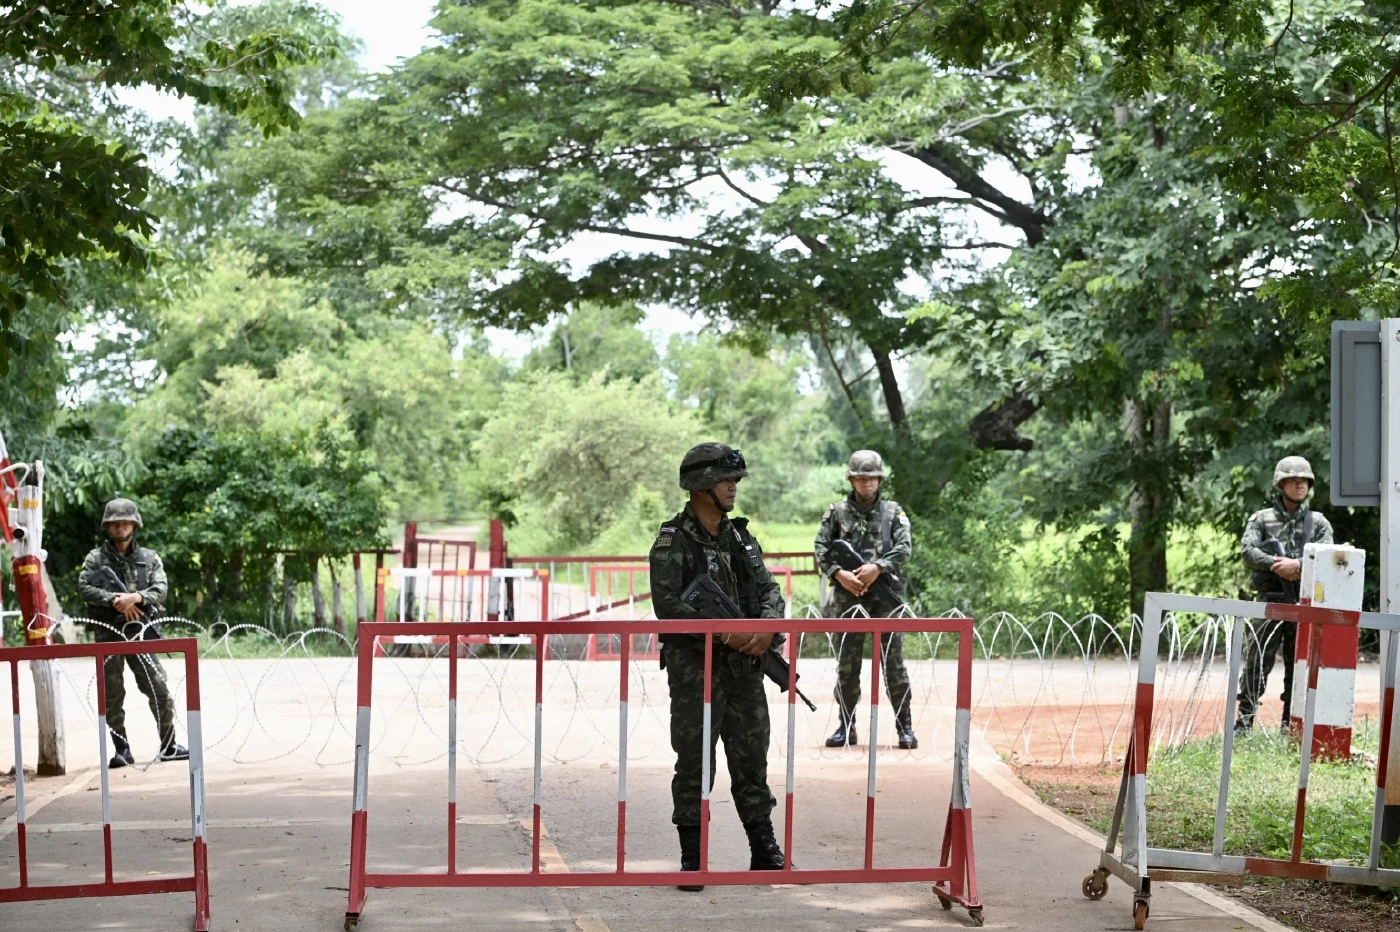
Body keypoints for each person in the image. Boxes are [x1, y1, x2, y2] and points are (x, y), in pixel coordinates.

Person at [649, 442, 788, 891]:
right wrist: (724, 633)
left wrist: (767, 628)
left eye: (735, 480)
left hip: (746, 670)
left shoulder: (742, 538)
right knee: (694, 763)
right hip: (696, 670)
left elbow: (769, 589)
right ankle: (694, 859)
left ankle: (764, 852)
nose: (733, 487)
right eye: (726, 480)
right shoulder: (674, 540)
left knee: (751, 761)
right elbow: (667, 603)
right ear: (700, 485)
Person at [813, 450, 916, 750]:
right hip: (849, 598)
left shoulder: (893, 512)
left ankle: (904, 726)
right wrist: (838, 574)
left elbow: (904, 549)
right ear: (852, 479)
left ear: (879, 480)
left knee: (893, 665)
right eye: (860, 478)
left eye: (871, 478)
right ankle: (846, 725)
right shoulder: (836, 512)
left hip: (884, 597)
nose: (865, 484)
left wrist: (878, 567)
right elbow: (821, 547)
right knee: (847, 665)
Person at [77, 498, 189, 768]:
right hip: (108, 632)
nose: (120, 527)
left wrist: (136, 598)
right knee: (112, 695)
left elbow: (161, 589)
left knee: (158, 688)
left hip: (141, 632)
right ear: (108, 526)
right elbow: (84, 588)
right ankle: (122, 750)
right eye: (115, 523)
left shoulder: (149, 558)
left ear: (134, 524)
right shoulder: (96, 558)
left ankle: (169, 744)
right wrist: (116, 599)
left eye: (125, 522)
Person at [1235, 456, 1334, 734]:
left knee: (1298, 664)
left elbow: (1329, 557)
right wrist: (1277, 566)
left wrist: (1298, 566)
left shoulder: (1318, 523)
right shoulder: (1262, 519)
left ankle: (1290, 725)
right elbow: (1248, 552)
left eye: (1304, 480)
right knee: (1257, 660)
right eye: (1293, 480)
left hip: (1304, 602)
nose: (1299, 485)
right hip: (1271, 601)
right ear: (1282, 484)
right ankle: (1244, 722)